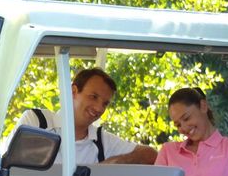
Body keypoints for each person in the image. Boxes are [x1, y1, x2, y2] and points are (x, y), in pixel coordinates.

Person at [15, 67, 157, 166]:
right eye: (93, 97)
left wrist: (112, 164)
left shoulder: (102, 141)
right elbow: (12, 170)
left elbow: (151, 155)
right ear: (73, 92)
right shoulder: (36, 122)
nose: (99, 108)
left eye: (105, 103)